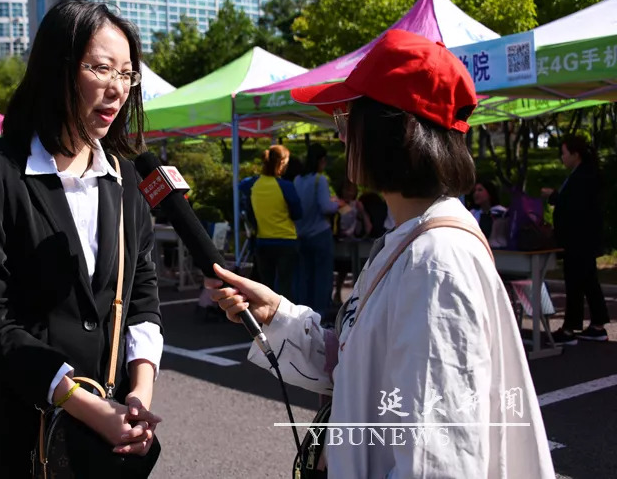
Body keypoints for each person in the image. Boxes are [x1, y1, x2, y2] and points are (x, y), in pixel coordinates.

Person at [207, 30, 554, 478]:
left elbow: (437, 460)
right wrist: (275, 312)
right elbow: (357, 365)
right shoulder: (412, 240)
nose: (341, 135)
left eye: (347, 116)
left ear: (392, 131)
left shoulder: (435, 262)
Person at [0, 0, 163, 478]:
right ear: (58, 68)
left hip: (113, 438)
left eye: (127, 74)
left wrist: (137, 400)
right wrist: (83, 404)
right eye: (102, 69)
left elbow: (142, 296)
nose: (117, 89)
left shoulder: (126, 180)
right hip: (27, 432)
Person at [541, 135, 609, 344]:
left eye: (564, 153)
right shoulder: (583, 175)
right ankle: (597, 324)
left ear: (575, 154)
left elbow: (573, 206)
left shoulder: (583, 177)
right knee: (587, 281)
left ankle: (571, 328)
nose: (562, 158)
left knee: (576, 282)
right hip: (581, 238)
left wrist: (554, 196)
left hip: (579, 238)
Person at [246, 145, 302, 300]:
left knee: (266, 289)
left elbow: (249, 212)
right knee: (285, 287)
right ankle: (287, 323)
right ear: (282, 163)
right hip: (286, 242)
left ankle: (265, 323)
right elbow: (298, 213)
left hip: (263, 242)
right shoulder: (286, 186)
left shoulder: (254, 185)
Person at [293, 143, 341, 319]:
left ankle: (303, 313)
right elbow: (325, 207)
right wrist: (337, 204)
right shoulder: (319, 180)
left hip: (301, 234)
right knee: (322, 275)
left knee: (304, 275)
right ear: (322, 160)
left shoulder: (298, 179)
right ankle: (320, 312)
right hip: (320, 234)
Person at [470, 180, 508, 248]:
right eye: (474, 191)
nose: (476, 193)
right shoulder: (473, 214)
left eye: (480, 190)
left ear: (490, 192)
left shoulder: (502, 213)